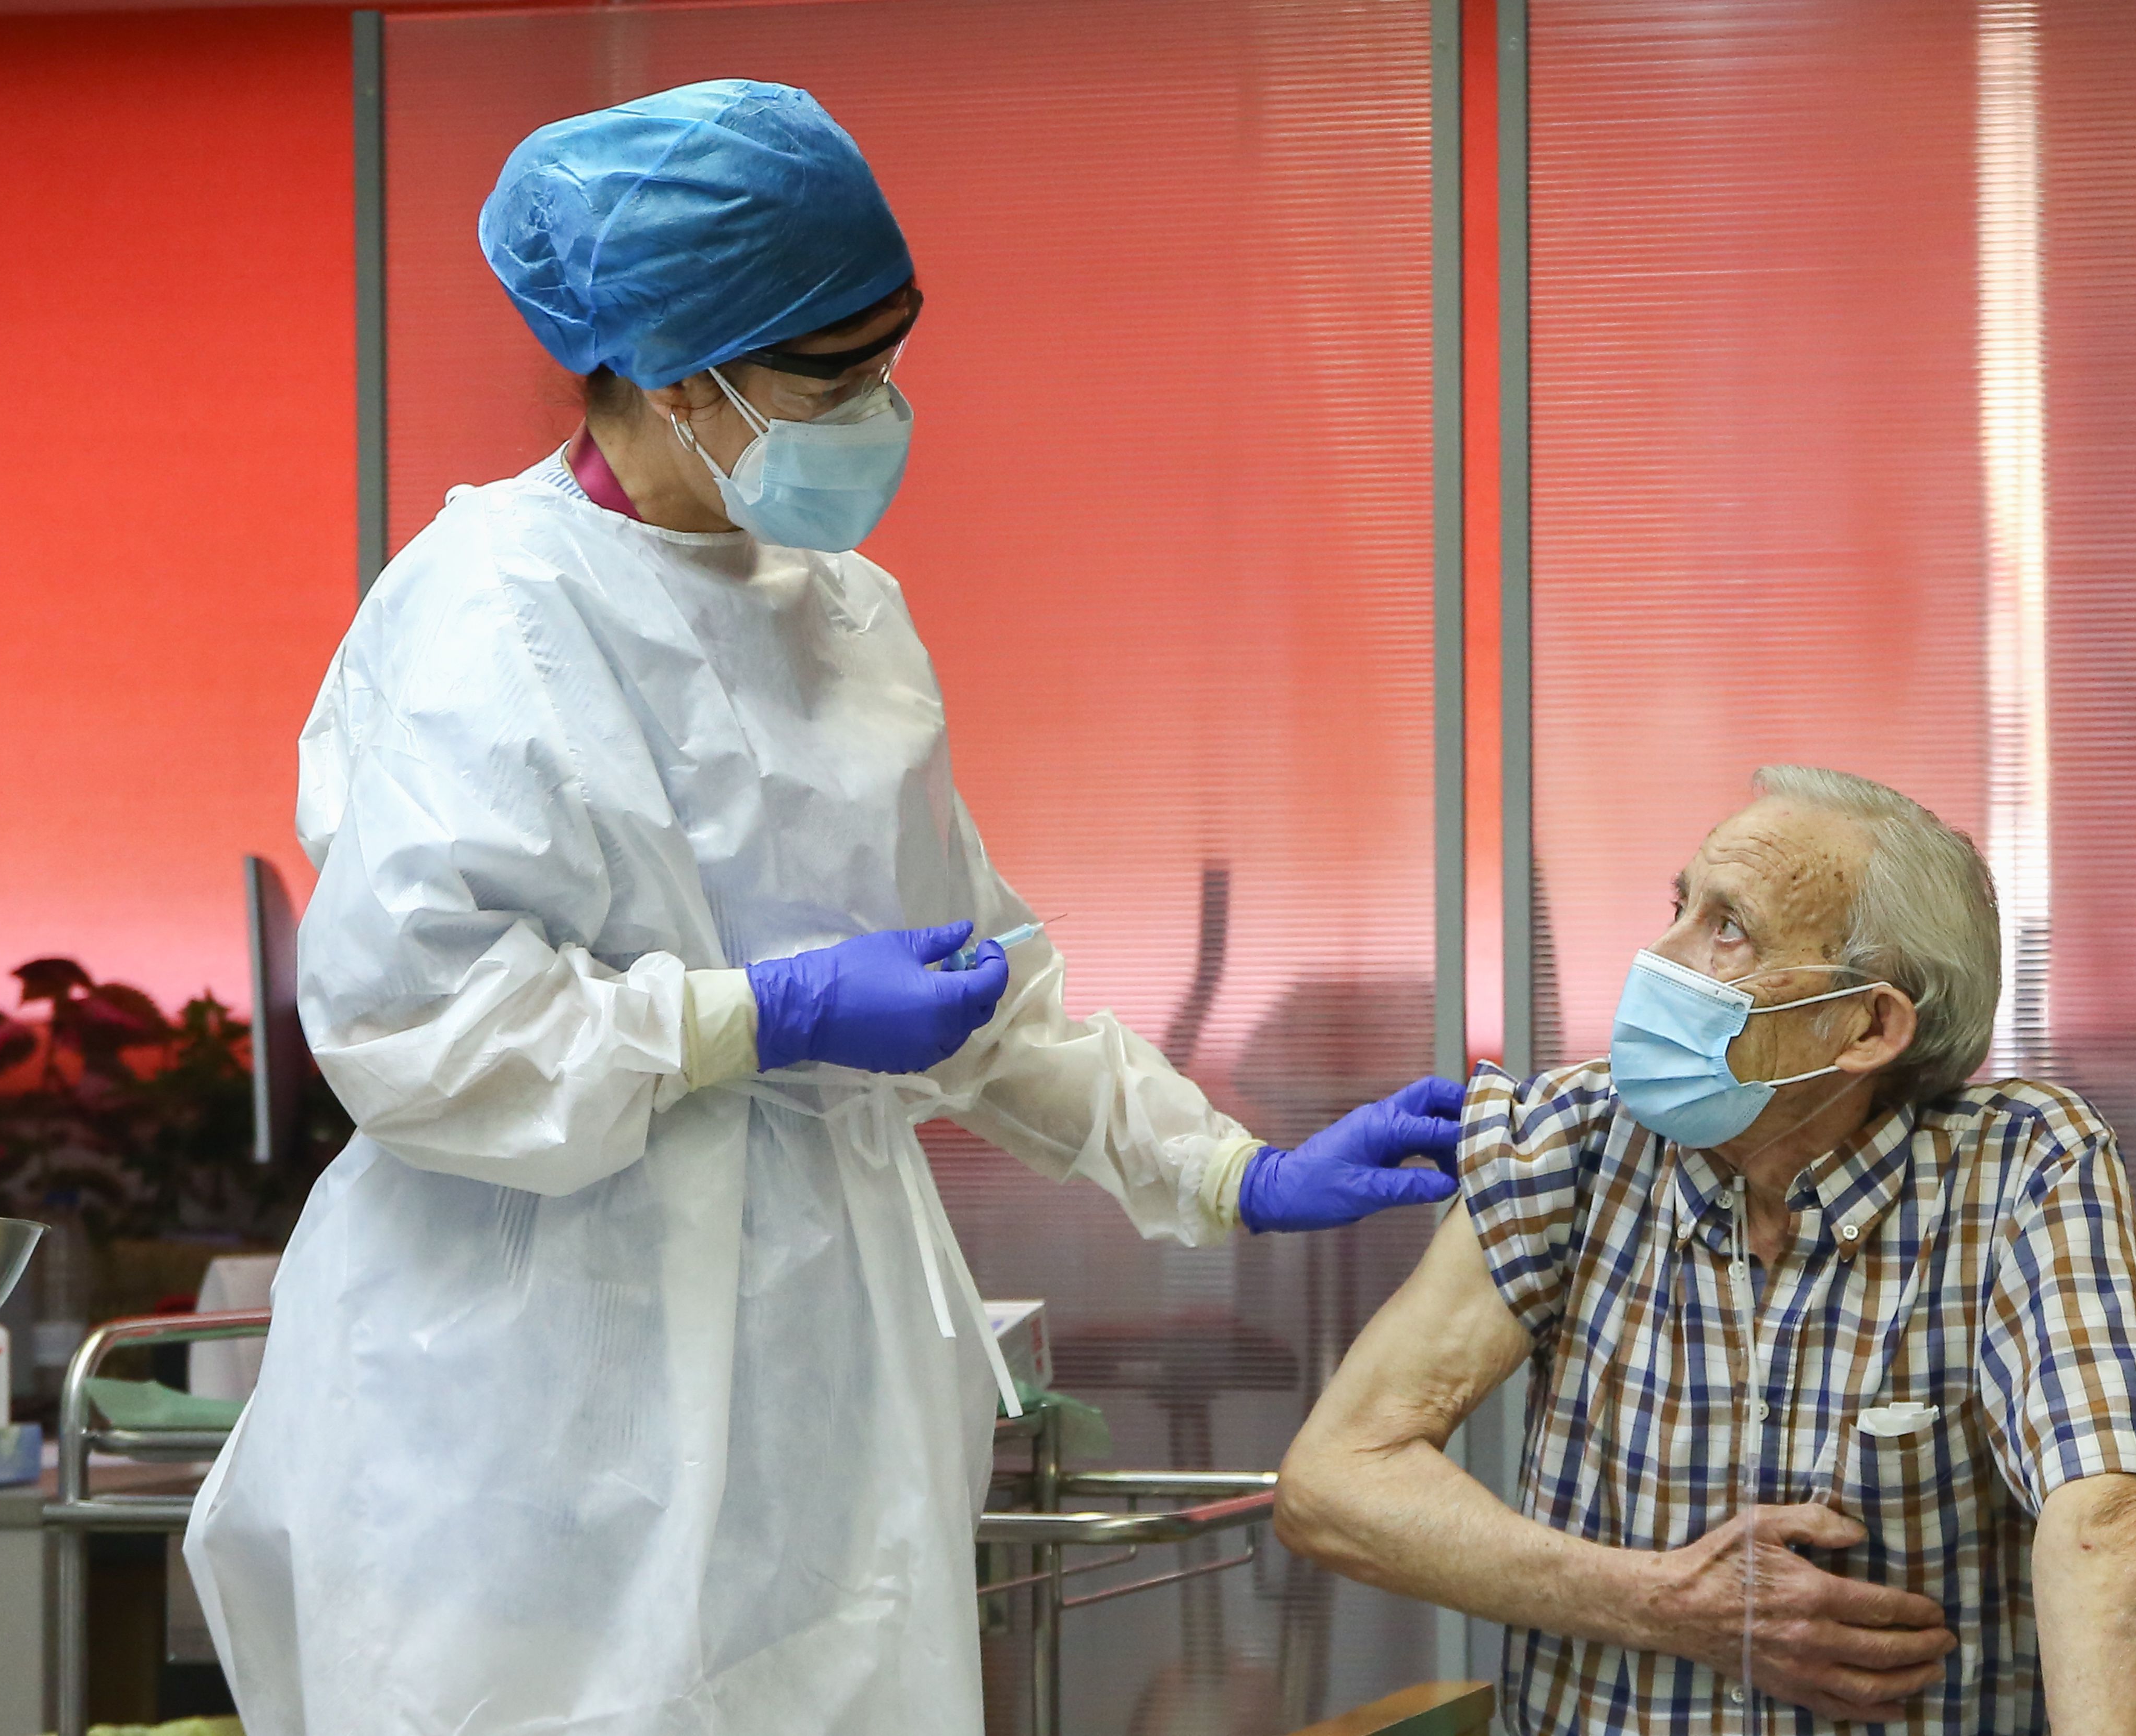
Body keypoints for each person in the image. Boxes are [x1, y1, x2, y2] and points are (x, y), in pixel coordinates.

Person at [183, 79, 1459, 1736]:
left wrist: (1223, 1164)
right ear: (666, 366)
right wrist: (759, 1015)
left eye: (888, 362)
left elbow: (981, 979)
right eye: (830, 376)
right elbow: (418, 1030)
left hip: (820, 1390)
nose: (879, 411)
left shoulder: (848, 618)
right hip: (527, 1399)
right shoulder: (487, 616)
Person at [1274, 767, 2136, 1735]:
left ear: (1869, 1025)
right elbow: (1336, 1478)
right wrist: (1666, 1601)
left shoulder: (2023, 1164)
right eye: (1680, 906)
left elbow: (2103, 1515)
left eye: (1728, 929)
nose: (1657, 956)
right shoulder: (1575, 1135)